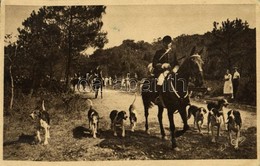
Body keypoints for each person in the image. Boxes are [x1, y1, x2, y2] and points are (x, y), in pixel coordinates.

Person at [152, 35, 179, 107]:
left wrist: (175, 69)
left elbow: (177, 63)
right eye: (166, 42)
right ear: (163, 43)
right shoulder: (158, 52)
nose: (167, 44)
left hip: (172, 72)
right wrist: (162, 65)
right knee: (160, 81)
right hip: (161, 72)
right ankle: (158, 97)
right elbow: (154, 64)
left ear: (171, 43)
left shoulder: (173, 53)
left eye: (169, 42)